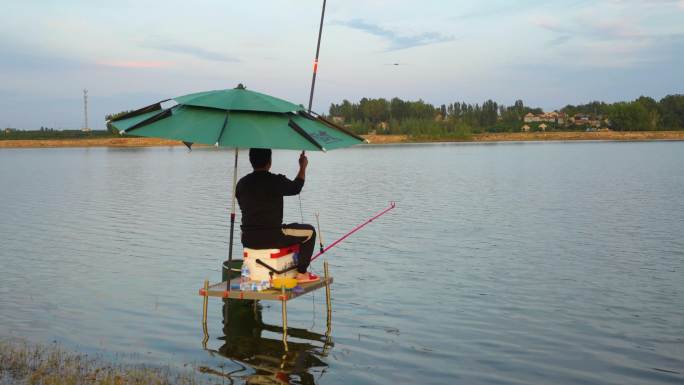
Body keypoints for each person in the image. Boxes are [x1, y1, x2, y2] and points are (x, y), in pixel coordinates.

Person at [236, 148, 319, 283]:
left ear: (251, 161)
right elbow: (296, 187)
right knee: (310, 232)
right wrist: (302, 167)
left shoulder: (241, 184)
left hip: (248, 239)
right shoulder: (275, 180)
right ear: (269, 162)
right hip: (274, 237)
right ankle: (302, 273)